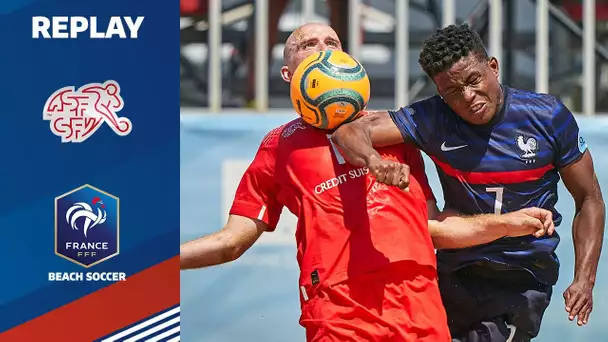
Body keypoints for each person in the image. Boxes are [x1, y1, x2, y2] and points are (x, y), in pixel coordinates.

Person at [181, 22, 555, 342]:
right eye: (308, 45)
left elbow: (431, 227)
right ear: (287, 73)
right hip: (339, 314)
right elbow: (231, 242)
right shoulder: (280, 146)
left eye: (332, 44)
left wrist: (504, 224)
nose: (323, 50)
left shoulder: (393, 132)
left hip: (419, 312)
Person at [331, 23, 606, 341]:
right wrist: (374, 161)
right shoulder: (433, 118)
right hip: (454, 273)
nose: (468, 97)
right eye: (453, 92)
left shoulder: (548, 118)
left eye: (474, 81)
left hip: (521, 276)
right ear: (440, 94)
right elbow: (348, 132)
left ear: (493, 67)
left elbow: (589, 199)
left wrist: (584, 278)